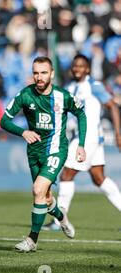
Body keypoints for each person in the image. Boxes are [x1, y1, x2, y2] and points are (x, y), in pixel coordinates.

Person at [0, 56, 87, 252]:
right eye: (36, 73)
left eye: (44, 73)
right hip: (34, 152)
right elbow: (4, 120)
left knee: (38, 190)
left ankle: (32, 240)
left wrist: (81, 144)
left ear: (52, 74)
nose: (39, 77)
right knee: (45, 197)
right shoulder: (25, 95)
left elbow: (81, 113)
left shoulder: (62, 96)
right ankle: (61, 216)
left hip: (56, 149)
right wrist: (23, 132)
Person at [42, 54, 121, 231]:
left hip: (88, 137)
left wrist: (118, 134)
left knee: (67, 175)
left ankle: (58, 220)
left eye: (81, 66)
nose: (77, 69)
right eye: (75, 66)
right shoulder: (70, 87)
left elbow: (113, 106)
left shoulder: (94, 86)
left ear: (88, 69)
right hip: (80, 136)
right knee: (99, 178)